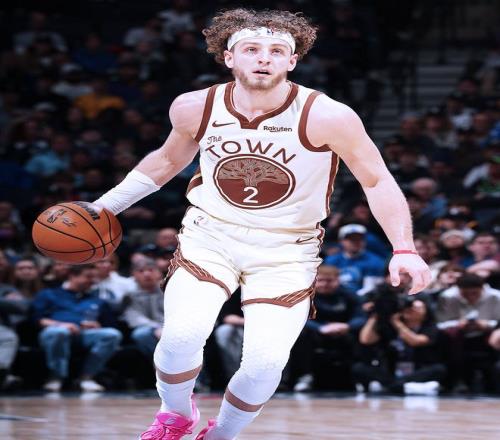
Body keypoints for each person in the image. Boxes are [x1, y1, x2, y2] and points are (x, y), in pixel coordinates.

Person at [93, 8, 431, 440]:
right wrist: (103, 207)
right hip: (210, 235)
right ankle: (174, 414)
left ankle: (223, 434)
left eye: (276, 51)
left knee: (265, 364)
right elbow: (165, 162)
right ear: (228, 56)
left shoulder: (328, 115)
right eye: (251, 49)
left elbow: (377, 180)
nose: (264, 58)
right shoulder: (196, 106)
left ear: (292, 61)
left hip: (286, 249)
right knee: (180, 337)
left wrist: (404, 248)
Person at [31, 264, 122, 392]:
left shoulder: (97, 300)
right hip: (54, 332)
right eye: (88, 276)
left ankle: (87, 377)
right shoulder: (49, 294)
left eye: (94, 277)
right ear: (72, 276)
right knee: (60, 332)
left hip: (84, 334)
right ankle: (56, 377)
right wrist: (61, 325)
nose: (92, 281)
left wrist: (97, 325)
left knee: (112, 334)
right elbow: (37, 319)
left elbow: (110, 325)